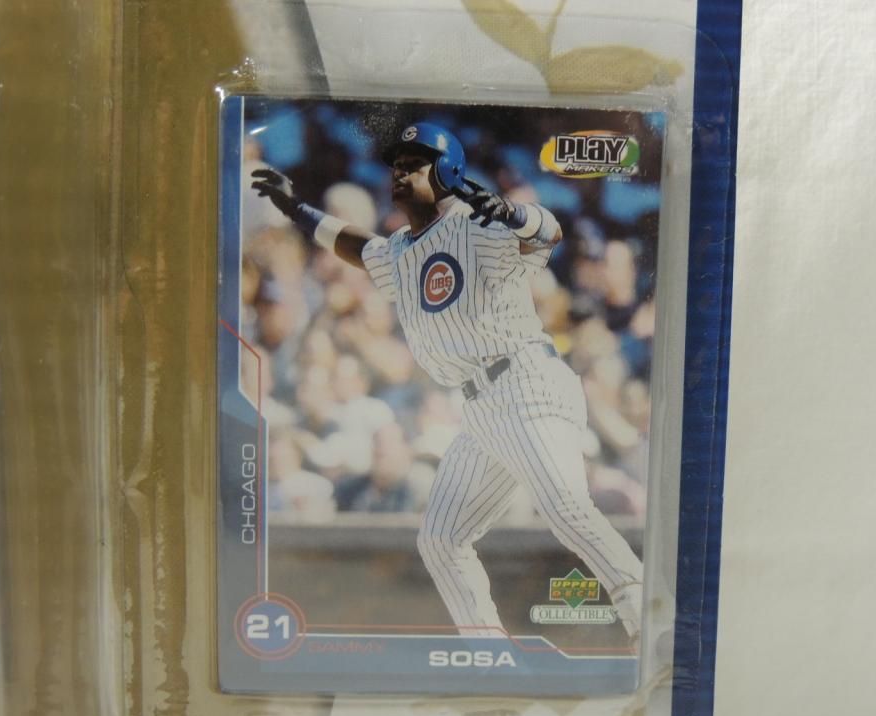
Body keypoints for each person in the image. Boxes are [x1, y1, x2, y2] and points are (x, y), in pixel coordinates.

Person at [251, 122, 643, 641]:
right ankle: (486, 652)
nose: (400, 172)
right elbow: (358, 246)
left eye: (415, 163)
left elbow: (547, 234)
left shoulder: (477, 224)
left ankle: (648, 617)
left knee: (566, 507)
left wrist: (514, 213)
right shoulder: (400, 250)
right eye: (397, 164)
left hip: (526, 382)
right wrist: (297, 210)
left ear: (448, 171)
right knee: (441, 539)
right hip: (481, 407)